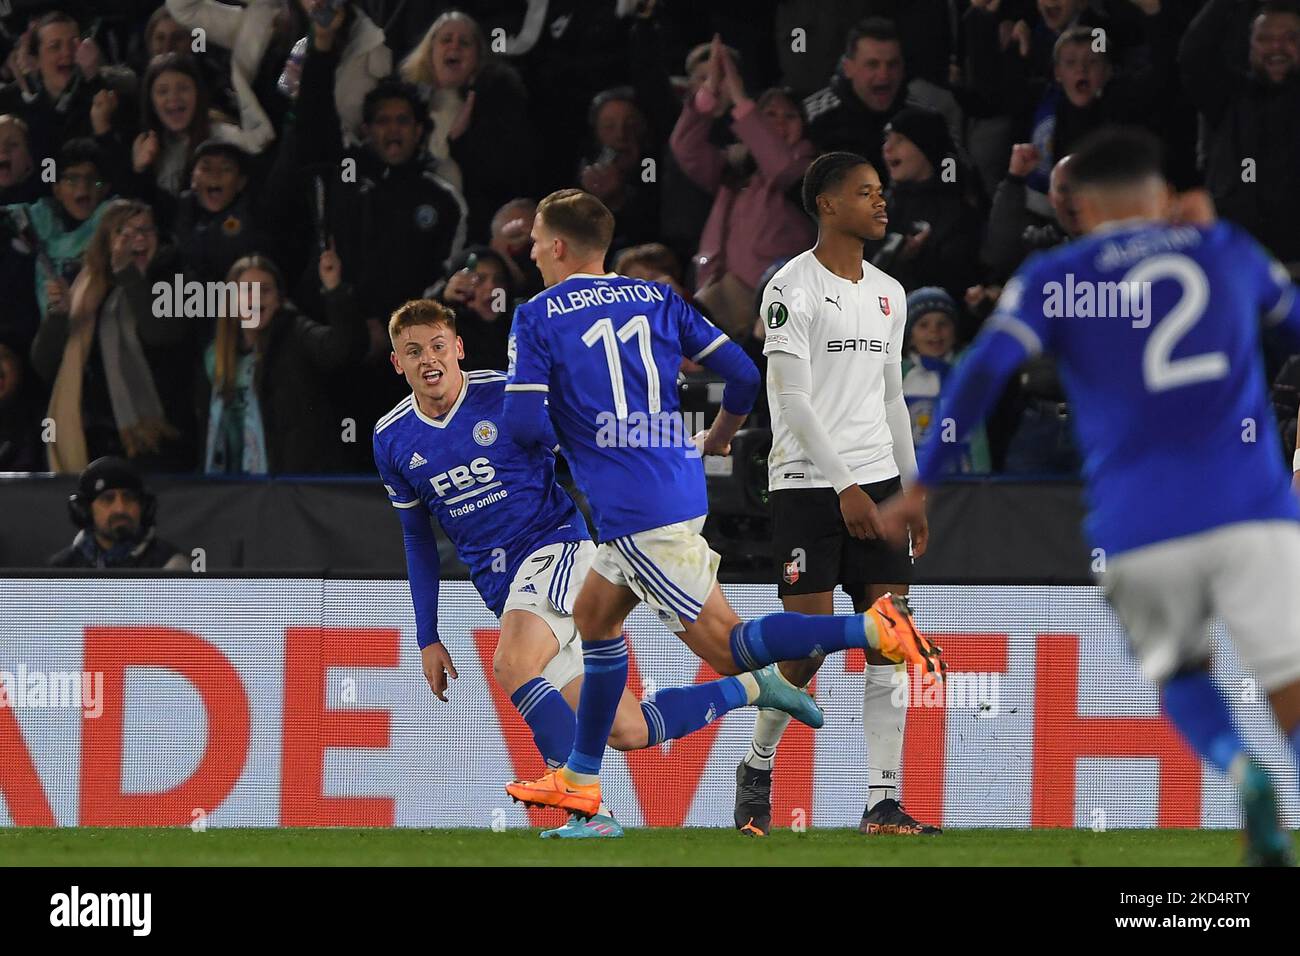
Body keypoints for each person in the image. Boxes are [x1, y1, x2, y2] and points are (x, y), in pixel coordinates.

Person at [885, 127, 1300, 866]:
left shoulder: (1059, 276)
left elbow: (985, 369)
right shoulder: (1225, 246)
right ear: (1163, 195)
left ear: (1075, 207)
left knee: (1181, 671)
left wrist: (926, 480)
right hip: (1256, 508)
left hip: (1141, 524)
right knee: (1291, 680)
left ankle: (1241, 770)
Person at [500, 188, 945, 820]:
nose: (534, 251)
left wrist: (573, 439)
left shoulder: (537, 315)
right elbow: (742, 374)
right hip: (674, 483)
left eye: (538, 240)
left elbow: (522, 425)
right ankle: (579, 781)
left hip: (635, 511)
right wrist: (717, 437)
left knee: (732, 646)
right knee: (595, 621)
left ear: (561, 246)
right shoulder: (654, 297)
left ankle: (873, 628)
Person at [374, 298, 820, 838]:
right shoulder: (391, 438)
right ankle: (755, 687)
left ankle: (589, 812)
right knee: (628, 730)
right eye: (413, 351)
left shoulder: (505, 396)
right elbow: (416, 537)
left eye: (438, 346)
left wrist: (665, 469)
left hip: (558, 551)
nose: (429, 359)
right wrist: (427, 635)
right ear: (397, 362)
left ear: (459, 348)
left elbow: (588, 442)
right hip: (506, 590)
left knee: (513, 664)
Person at [732, 152, 938, 838]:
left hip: (877, 482)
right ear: (826, 204)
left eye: (882, 193)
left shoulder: (889, 292)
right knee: (807, 648)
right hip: (807, 486)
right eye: (865, 193)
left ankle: (883, 803)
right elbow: (793, 401)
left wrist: (909, 491)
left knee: (891, 639)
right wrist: (843, 486)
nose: (882, 204)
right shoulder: (790, 287)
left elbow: (889, 396)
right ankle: (757, 766)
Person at [32, 199, 197, 473]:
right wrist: (58, 315)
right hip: (95, 439)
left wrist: (128, 275)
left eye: (146, 230)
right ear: (105, 240)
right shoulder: (84, 286)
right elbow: (44, 364)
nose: (139, 238)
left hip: (159, 440)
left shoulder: (177, 280)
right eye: (124, 232)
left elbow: (161, 333)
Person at [670, 36, 816, 341]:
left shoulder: (809, 170)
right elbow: (686, 149)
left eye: (789, 116)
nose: (779, 123)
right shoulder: (736, 168)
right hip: (717, 293)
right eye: (770, 116)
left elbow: (781, 168)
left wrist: (739, 97)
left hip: (773, 301)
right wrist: (709, 93)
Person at [202, 251, 363, 474]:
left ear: (279, 299)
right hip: (234, 489)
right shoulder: (214, 356)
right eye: (247, 290)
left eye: (265, 290)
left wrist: (334, 289)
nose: (255, 298)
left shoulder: (296, 333)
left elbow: (341, 349)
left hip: (293, 487)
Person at [49, 455, 189, 569]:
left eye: (129, 497)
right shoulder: (63, 567)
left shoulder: (170, 566)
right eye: (107, 499)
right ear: (85, 509)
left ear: (144, 507)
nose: (120, 508)